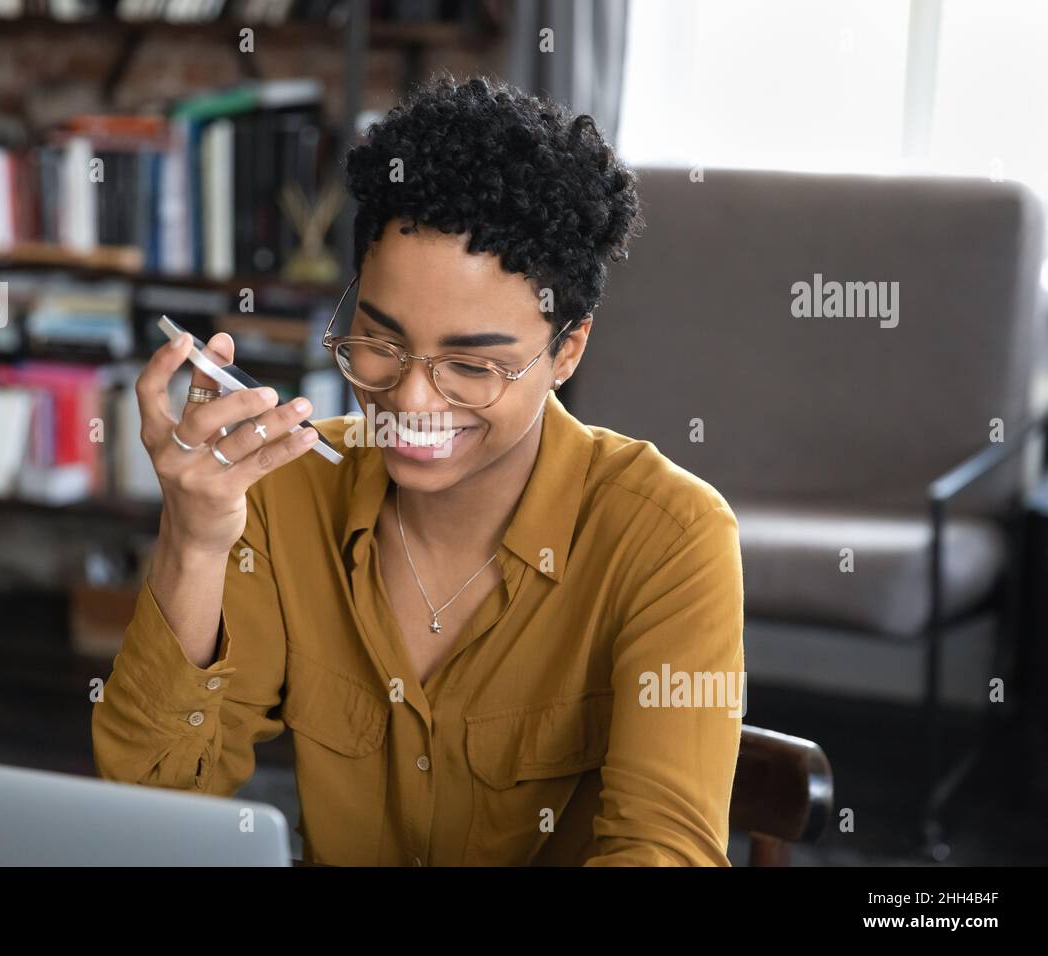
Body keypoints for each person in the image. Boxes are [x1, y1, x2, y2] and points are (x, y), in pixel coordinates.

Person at [92, 73, 745, 866]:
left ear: (567, 350)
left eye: (472, 365)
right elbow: (149, 802)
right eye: (379, 340)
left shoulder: (668, 539)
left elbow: (663, 854)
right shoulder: (280, 490)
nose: (408, 399)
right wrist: (193, 542)